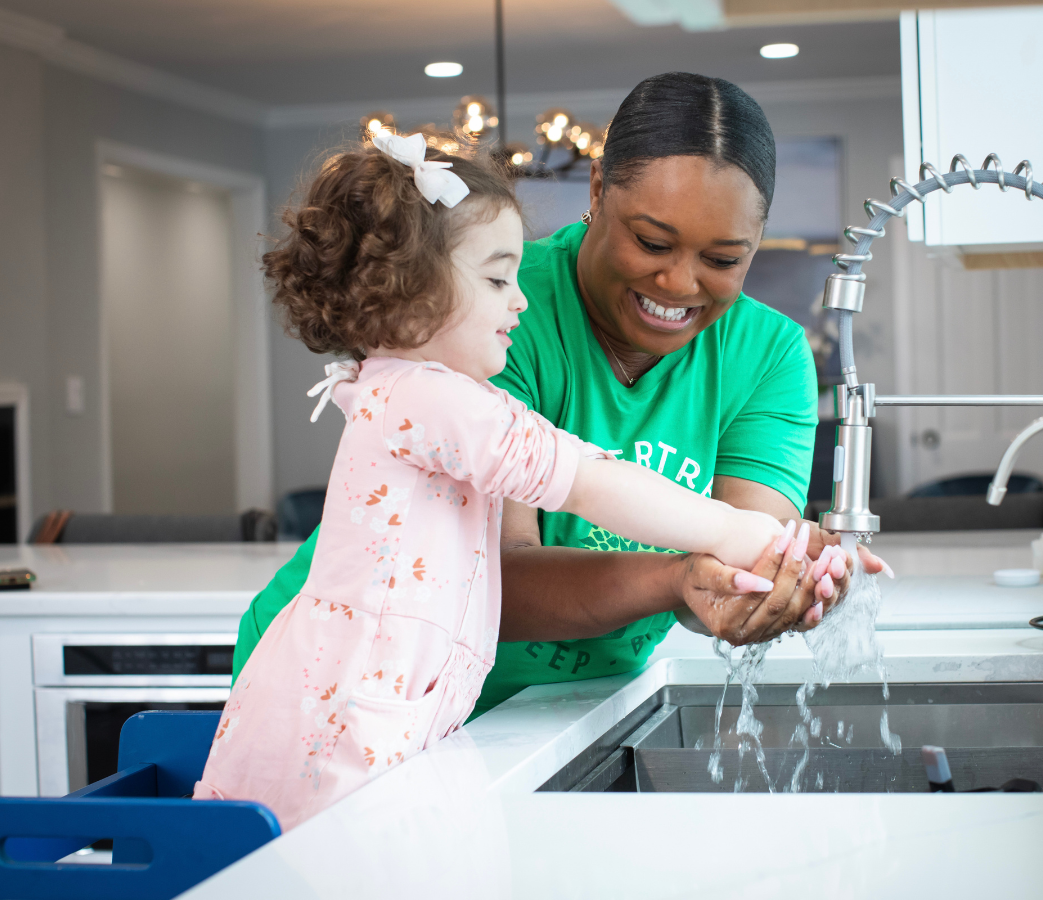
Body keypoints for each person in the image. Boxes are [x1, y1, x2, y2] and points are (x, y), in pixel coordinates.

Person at [194, 130, 818, 830]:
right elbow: (582, 479)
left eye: (724, 256)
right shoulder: (435, 399)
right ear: (409, 294)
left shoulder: (413, 388)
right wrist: (739, 532)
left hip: (384, 692)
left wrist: (767, 553)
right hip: (348, 702)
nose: (520, 303)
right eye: (497, 281)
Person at [232, 71, 887, 721]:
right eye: (652, 242)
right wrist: (726, 552)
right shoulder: (475, 321)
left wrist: (777, 573)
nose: (680, 281)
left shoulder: (766, 353)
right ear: (597, 189)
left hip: (501, 704)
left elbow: (731, 576)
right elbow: (513, 558)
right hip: (343, 690)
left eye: (722, 259)